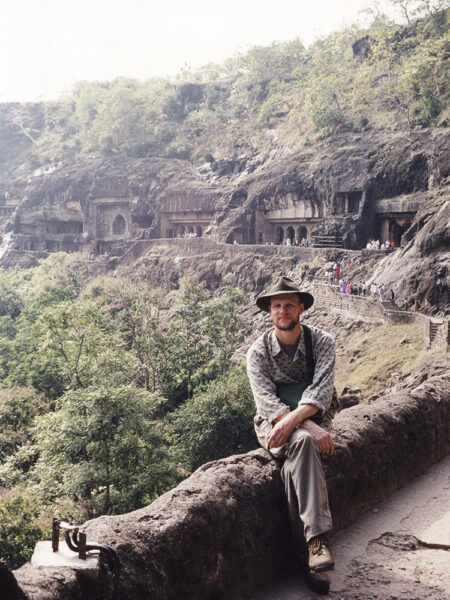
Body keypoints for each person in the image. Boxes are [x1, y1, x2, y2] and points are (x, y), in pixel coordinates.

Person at [247, 277, 335, 594]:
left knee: (293, 461)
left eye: (289, 304)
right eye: (277, 306)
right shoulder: (258, 352)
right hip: (274, 422)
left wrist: (301, 421)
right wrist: (306, 424)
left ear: (301, 309)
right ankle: (317, 541)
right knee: (304, 440)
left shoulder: (322, 342)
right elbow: (266, 401)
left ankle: (308, 557)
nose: (283, 310)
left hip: (310, 417)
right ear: (270, 312)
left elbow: (322, 390)